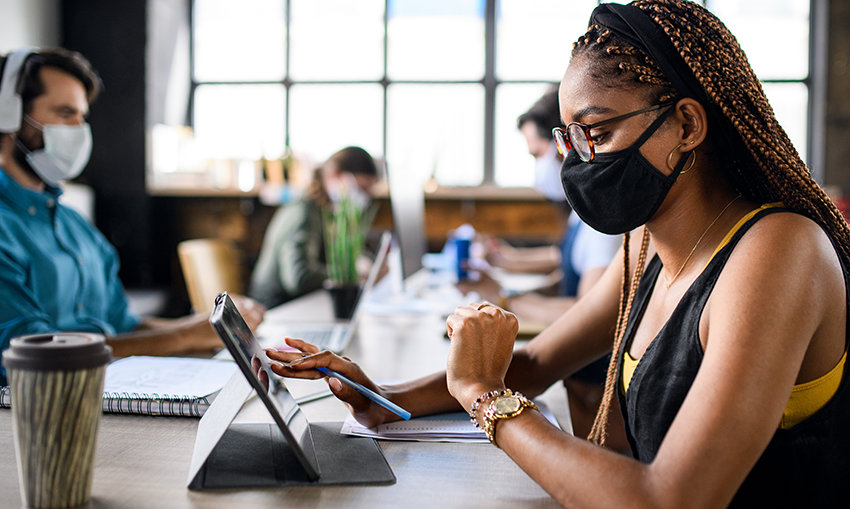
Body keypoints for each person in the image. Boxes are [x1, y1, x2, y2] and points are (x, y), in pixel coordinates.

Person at [266, 1, 850, 506]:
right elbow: (537, 364)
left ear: (687, 124)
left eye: (595, 133)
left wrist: (486, 400)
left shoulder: (778, 250)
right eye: (568, 139)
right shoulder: (645, 246)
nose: (577, 162)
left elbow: (675, 498)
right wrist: (381, 398)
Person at [0, 48, 265, 385]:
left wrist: (212, 327)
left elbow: (124, 325)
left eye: (82, 116)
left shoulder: (75, 227)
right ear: (8, 116)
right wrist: (183, 336)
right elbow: (31, 356)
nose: (80, 130)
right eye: (65, 113)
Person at [248, 146, 380, 309]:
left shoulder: (332, 212)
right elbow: (299, 277)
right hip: (278, 310)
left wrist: (366, 262)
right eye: (363, 187)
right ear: (336, 175)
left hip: (306, 305)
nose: (365, 197)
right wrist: (351, 273)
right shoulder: (303, 213)